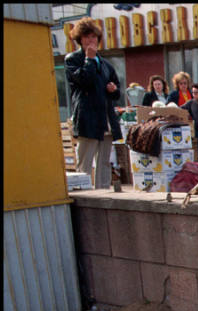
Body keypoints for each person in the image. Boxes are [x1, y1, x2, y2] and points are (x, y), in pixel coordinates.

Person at [64, 17, 123, 190]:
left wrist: (114, 90)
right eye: (87, 37)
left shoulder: (105, 64)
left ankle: (103, 191)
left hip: (105, 118)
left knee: (104, 161)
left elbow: (117, 91)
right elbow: (83, 80)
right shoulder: (72, 59)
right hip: (88, 117)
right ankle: (84, 193)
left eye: (94, 37)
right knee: (85, 161)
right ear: (80, 39)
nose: (91, 41)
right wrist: (89, 60)